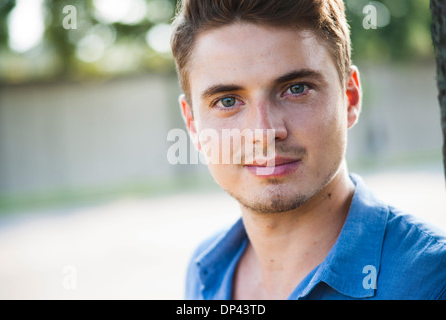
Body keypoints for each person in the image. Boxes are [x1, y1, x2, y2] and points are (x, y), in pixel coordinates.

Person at [170, 0, 446, 300]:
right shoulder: (205, 271)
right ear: (193, 125)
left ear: (350, 98)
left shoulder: (432, 281)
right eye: (227, 101)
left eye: (296, 89)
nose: (264, 133)